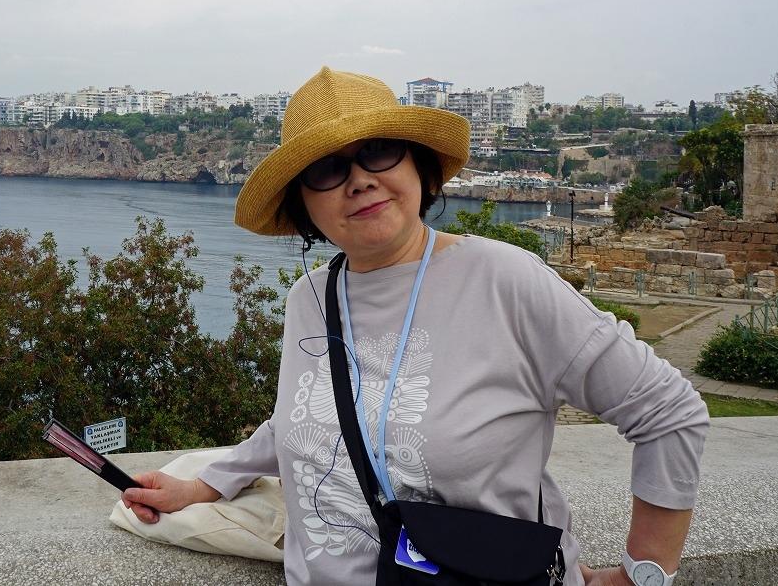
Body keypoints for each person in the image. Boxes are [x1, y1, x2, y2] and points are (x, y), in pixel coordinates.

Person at [121, 67, 709, 586]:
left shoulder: (503, 279)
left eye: (379, 152)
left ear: (419, 167)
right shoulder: (310, 298)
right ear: (305, 205)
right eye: (327, 168)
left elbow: (667, 410)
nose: (359, 180)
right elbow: (303, 419)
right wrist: (204, 485)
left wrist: (644, 573)